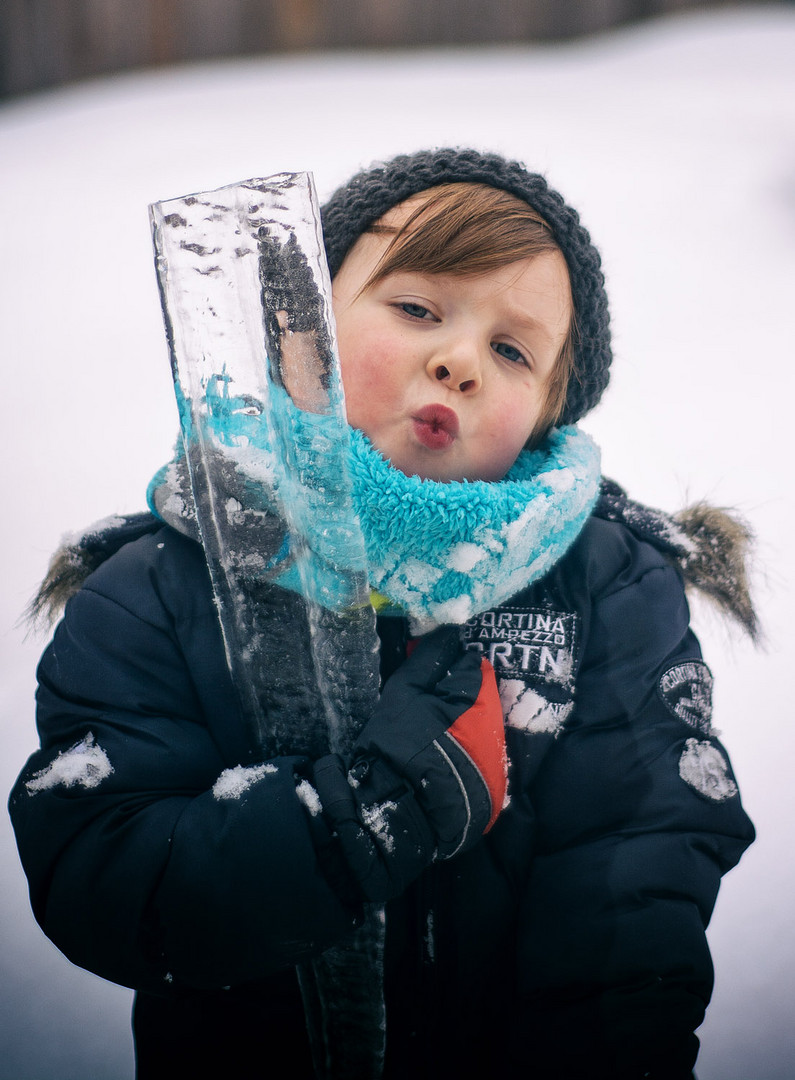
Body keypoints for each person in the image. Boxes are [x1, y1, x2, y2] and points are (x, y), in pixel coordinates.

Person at [9, 148, 756, 1079]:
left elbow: (639, 867)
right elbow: (102, 874)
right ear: (297, 329)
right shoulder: (162, 583)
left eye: (511, 350)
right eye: (416, 309)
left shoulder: (606, 582)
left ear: (547, 417)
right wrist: (359, 817)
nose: (458, 360)